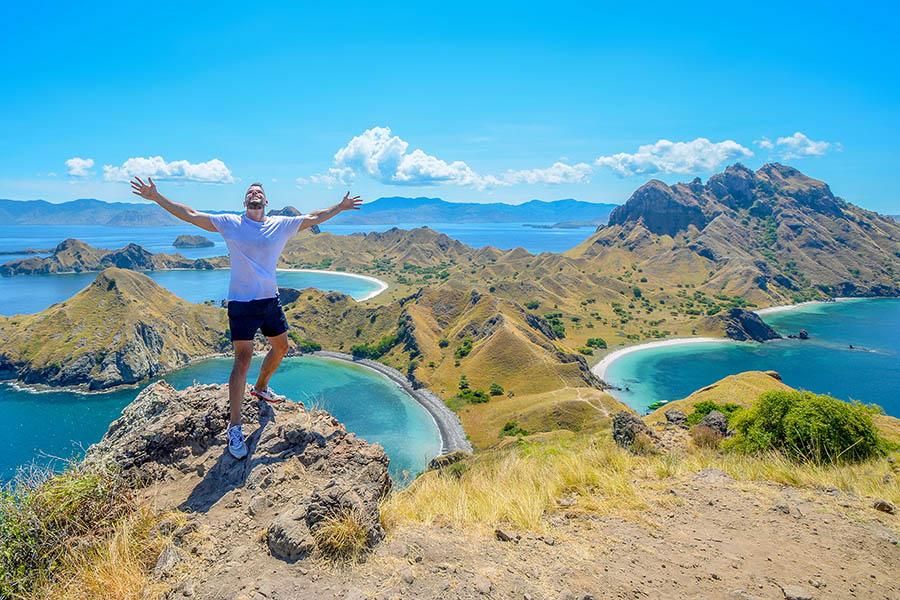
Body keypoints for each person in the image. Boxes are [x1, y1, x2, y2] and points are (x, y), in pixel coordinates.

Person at [130, 176, 362, 459]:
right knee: (243, 359)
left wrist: (340, 206)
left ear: (266, 202)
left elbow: (314, 217)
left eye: (259, 192)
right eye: (250, 192)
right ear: (245, 202)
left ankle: (261, 387)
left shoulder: (280, 225)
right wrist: (157, 197)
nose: (255, 194)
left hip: (269, 301)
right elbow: (190, 215)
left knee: (282, 348)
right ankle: (235, 428)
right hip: (241, 303)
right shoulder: (232, 224)